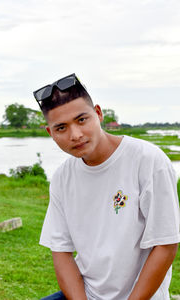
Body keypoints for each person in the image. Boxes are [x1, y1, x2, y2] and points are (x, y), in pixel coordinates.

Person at [33, 73, 180, 300]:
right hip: (87, 294)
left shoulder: (148, 160)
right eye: (61, 128)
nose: (76, 135)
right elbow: (61, 250)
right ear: (50, 133)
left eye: (82, 120)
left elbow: (166, 243)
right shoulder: (63, 177)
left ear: (98, 114)